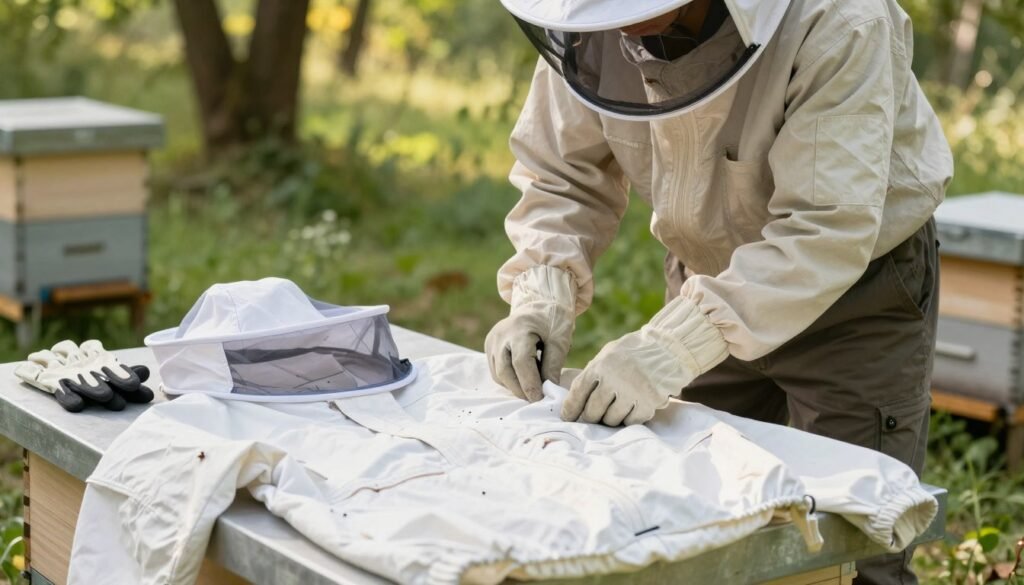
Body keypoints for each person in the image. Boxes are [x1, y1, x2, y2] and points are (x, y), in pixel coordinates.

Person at [484, 0, 954, 583]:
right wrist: (541, 293)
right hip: (705, 279)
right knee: (696, 526)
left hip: (855, 295)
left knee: (853, 542)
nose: (615, 23)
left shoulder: (842, 19)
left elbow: (825, 228)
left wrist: (669, 350)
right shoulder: (586, 26)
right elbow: (562, 174)